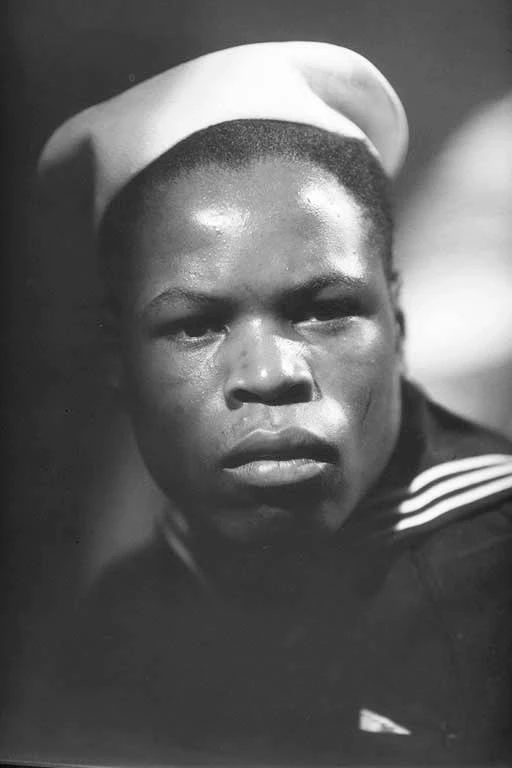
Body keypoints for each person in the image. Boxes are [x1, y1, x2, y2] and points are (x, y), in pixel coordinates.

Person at [29, 42, 512, 765]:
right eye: (195, 324)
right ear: (120, 366)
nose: (269, 372)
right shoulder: (116, 622)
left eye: (324, 310)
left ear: (399, 325)